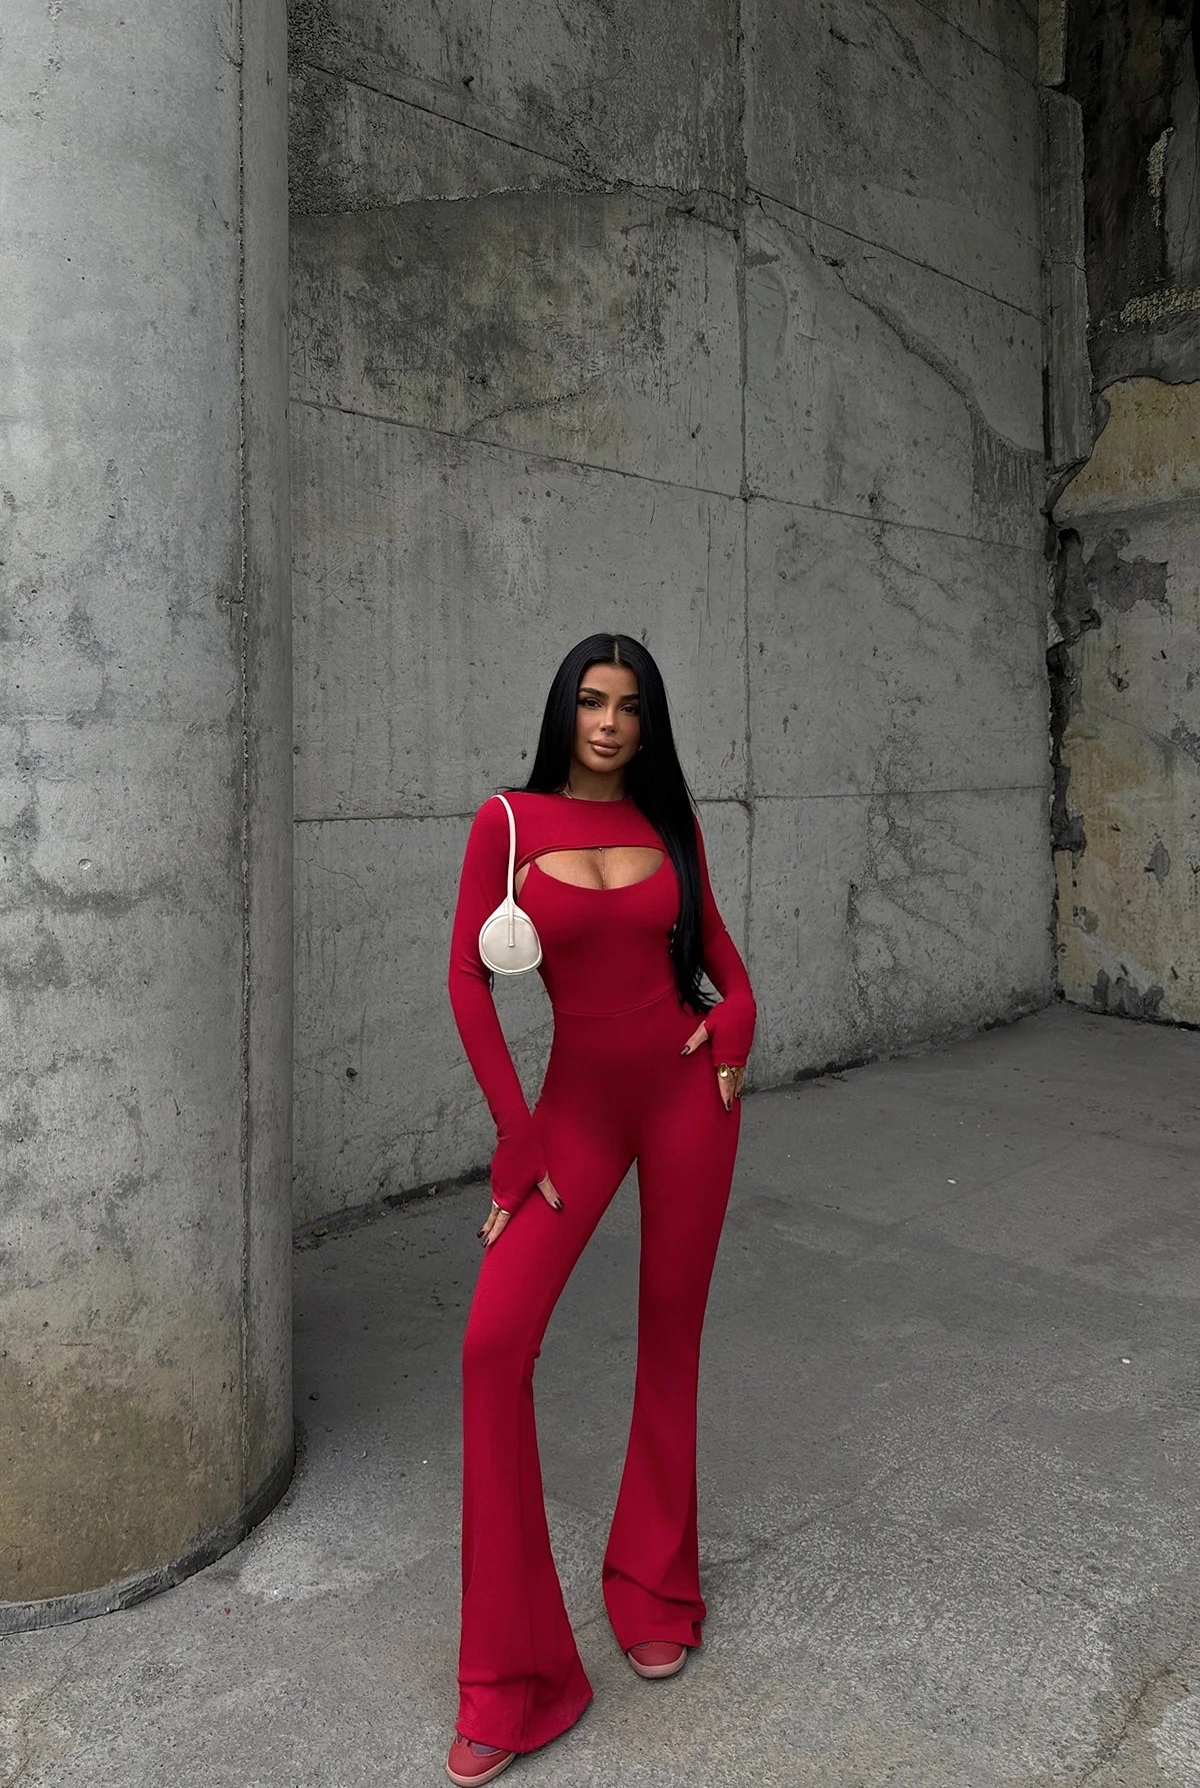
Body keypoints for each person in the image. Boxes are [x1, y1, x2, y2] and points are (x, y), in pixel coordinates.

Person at [443, 632, 757, 1786]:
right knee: (493, 1348)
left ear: (647, 720)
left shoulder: (671, 826)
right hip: (571, 1113)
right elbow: (466, 978)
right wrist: (515, 1134)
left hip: (688, 1100)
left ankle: (655, 1586)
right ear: (564, 711)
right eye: (592, 700)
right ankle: (514, 1682)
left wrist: (735, 1025)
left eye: (629, 705)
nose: (610, 723)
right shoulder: (508, 822)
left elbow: (721, 960)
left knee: (671, 1339)